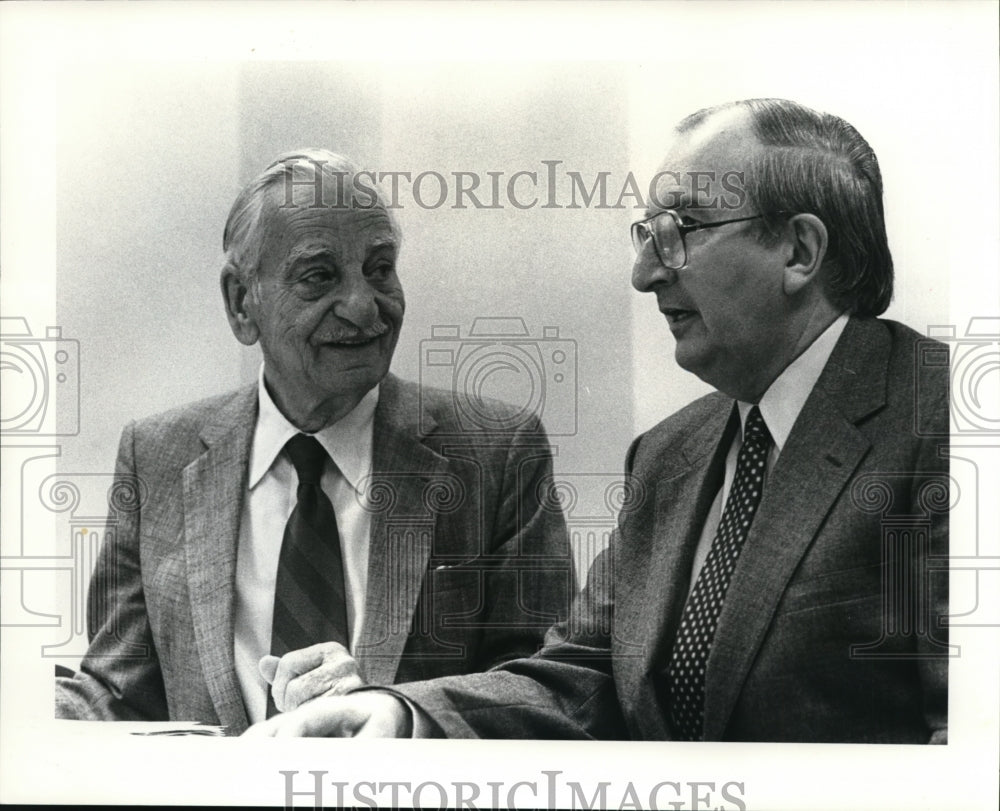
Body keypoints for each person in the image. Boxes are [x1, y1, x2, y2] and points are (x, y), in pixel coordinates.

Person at [246, 100, 950, 743]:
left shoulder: (944, 424)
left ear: (799, 250)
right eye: (648, 233)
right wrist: (401, 712)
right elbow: (586, 676)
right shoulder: (672, 454)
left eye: (681, 231)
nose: (644, 273)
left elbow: (972, 743)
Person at [55, 150, 573, 734]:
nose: (363, 307)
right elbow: (116, 691)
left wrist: (403, 712)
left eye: (379, 269)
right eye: (319, 276)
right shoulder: (156, 457)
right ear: (240, 303)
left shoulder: (495, 452)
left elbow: (547, 689)